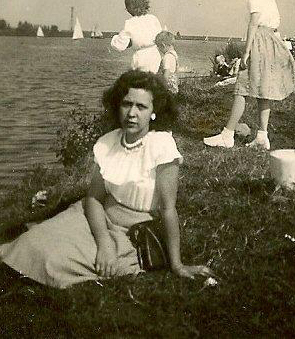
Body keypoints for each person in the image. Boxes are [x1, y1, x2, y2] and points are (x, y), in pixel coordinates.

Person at [0, 70, 213, 288]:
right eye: (126, 104)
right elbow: (93, 198)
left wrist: (177, 265)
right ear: (117, 106)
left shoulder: (162, 146)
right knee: (31, 241)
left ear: (154, 112)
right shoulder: (107, 142)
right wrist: (104, 243)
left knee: (53, 257)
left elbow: (169, 209)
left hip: (130, 232)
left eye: (141, 107)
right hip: (96, 218)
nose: (132, 113)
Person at [203, 0, 295, 150]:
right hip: (272, 39)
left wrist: (246, 52)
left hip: (260, 39)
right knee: (264, 89)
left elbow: (253, 23)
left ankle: (227, 135)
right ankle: (262, 137)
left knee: (242, 86)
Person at [110, 0, 162, 73]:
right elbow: (160, 37)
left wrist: (115, 38)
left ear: (131, 8)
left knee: (140, 82)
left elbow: (120, 45)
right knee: (153, 81)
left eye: (127, 8)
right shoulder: (153, 18)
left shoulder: (130, 23)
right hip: (155, 55)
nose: (127, 10)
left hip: (141, 58)